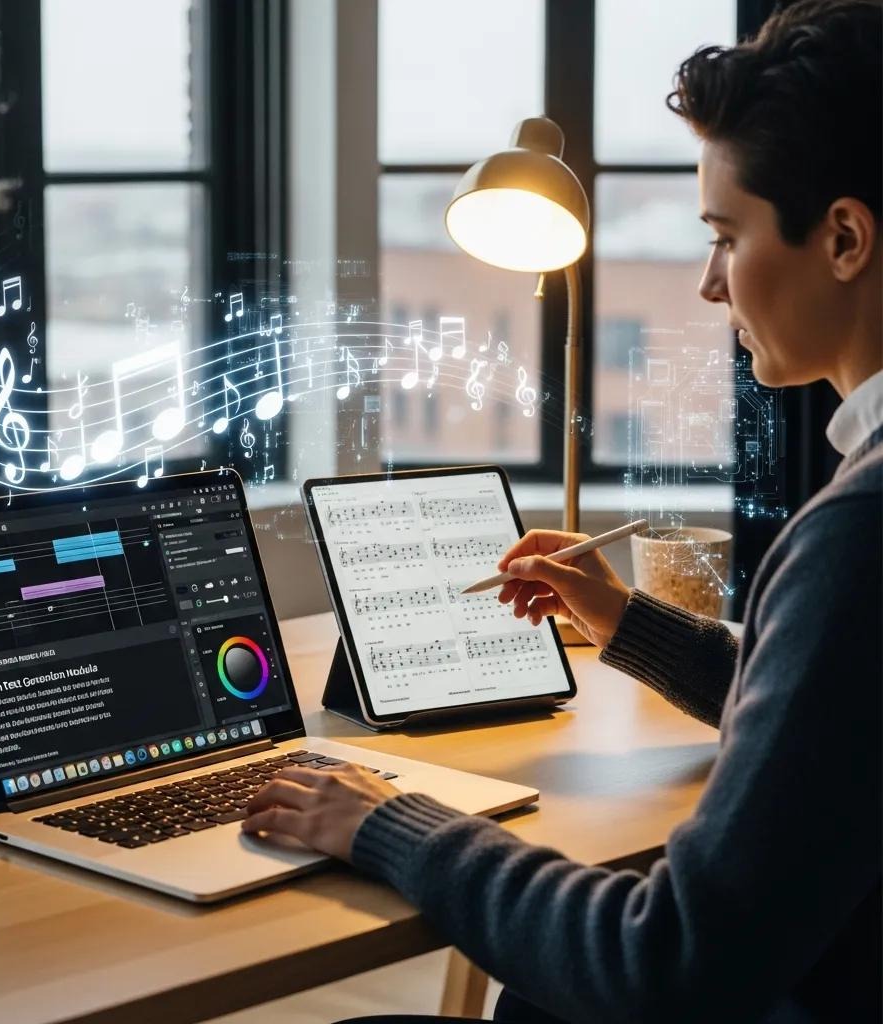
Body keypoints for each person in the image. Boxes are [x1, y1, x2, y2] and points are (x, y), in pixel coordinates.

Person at [242, 2, 882, 1020]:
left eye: (726, 237)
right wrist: (625, 621)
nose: (709, 283)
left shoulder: (857, 536)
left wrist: (390, 822)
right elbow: (825, 732)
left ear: (843, 237)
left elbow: (663, 958)